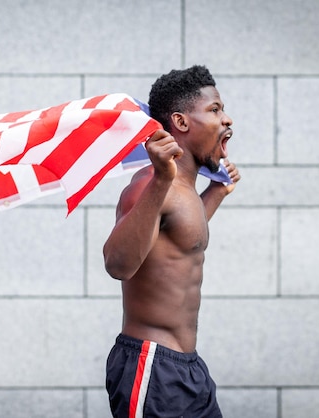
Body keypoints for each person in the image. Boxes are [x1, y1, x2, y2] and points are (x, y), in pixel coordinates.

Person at [103, 65, 241, 418]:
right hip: (151, 367)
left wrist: (218, 192)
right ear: (180, 122)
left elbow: (181, 242)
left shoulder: (183, 189)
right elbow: (118, 264)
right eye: (214, 110)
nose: (227, 120)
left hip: (188, 369)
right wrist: (161, 181)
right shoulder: (149, 184)